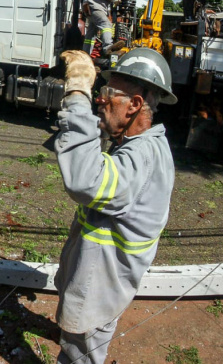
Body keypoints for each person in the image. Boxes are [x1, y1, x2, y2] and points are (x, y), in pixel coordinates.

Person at [53, 48, 177, 364]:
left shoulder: (140, 158)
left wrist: (78, 93)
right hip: (104, 281)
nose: (100, 99)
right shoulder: (144, 144)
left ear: (134, 104)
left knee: (79, 357)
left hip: (98, 289)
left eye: (108, 93)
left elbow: (84, 179)